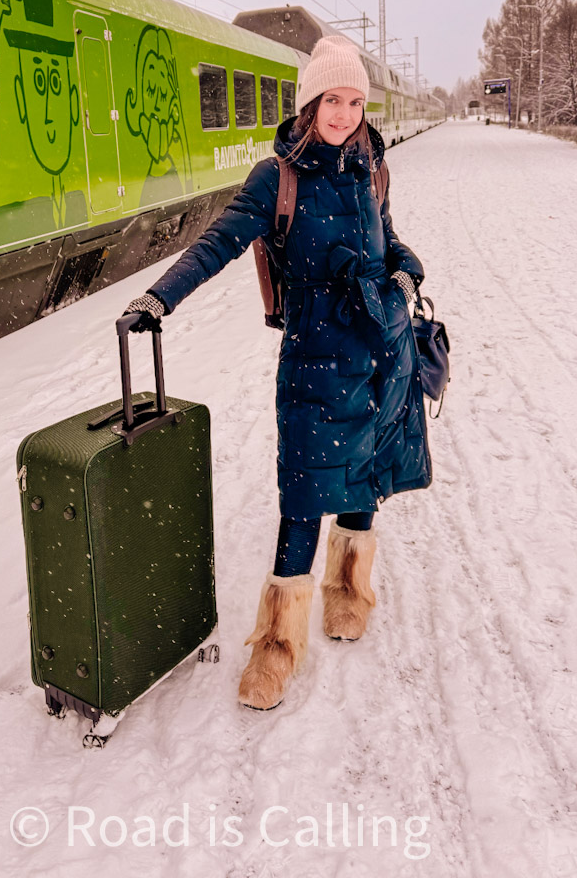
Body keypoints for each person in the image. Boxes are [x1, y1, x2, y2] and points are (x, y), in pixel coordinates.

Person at [123, 35, 432, 710]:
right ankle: (276, 647)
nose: (345, 114)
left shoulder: (373, 167)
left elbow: (388, 238)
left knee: (362, 482)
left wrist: (407, 273)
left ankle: (349, 593)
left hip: (378, 355)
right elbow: (219, 241)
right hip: (314, 366)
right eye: (333, 100)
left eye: (355, 101)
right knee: (302, 499)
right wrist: (160, 296)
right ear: (309, 103)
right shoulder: (278, 178)